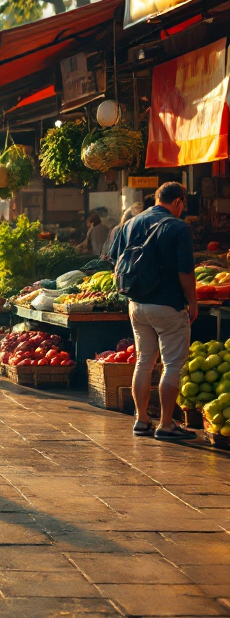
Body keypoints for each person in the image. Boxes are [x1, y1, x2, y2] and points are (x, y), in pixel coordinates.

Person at [107, 182, 197, 441]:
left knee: (144, 362)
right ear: (178, 202)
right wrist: (192, 300)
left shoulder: (130, 224)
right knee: (171, 366)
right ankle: (166, 424)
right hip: (168, 305)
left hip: (136, 304)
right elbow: (185, 271)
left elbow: (115, 262)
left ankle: (141, 420)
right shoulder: (179, 227)